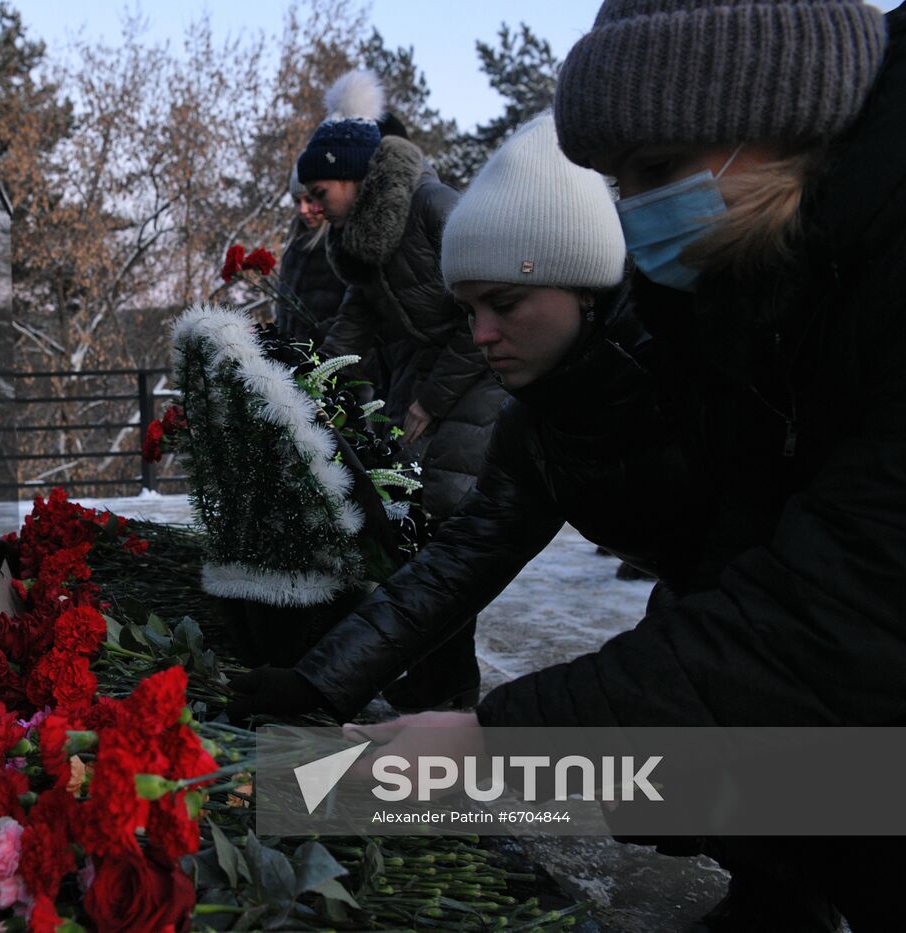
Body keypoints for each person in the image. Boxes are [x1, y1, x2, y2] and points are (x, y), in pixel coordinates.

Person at [347, 2, 905, 928]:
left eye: (654, 171)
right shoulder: (746, 274)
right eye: (619, 181)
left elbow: (840, 612)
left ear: (777, 107)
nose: (636, 210)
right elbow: (742, 553)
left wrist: (503, 750)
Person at [229, 112, 714, 720]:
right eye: (467, 310)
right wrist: (318, 683)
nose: (482, 335)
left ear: (584, 284)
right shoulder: (538, 423)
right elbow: (456, 566)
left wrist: (496, 733)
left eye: (505, 304)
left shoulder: (700, 371)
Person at [297, 70, 506, 709]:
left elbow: (488, 315)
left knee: (442, 531)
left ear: (355, 179)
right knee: (419, 534)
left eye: (317, 191)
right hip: (431, 387)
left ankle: (450, 692)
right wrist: (302, 379)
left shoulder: (435, 208)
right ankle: (438, 680)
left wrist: (429, 400)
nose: (308, 206)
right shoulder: (360, 238)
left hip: (477, 386)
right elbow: (351, 323)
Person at [272, 165, 346, 347]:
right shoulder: (293, 248)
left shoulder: (341, 247)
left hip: (332, 362)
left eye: (309, 199)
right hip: (295, 363)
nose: (303, 210)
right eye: (297, 202)